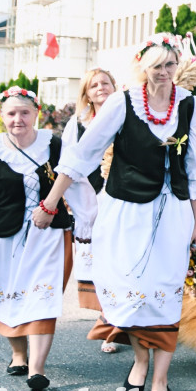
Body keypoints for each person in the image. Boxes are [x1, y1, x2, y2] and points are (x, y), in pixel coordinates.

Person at [42, 33, 196, 391]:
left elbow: (195, 170)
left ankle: (160, 379)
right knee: (132, 289)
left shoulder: (191, 107)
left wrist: (195, 223)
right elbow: (83, 156)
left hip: (174, 211)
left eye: (169, 65)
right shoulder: (123, 102)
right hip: (126, 209)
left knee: (165, 292)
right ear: (143, 68)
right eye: (156, 66)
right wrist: (51, 202)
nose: (164, 72)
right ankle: (139, 362)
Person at [0, 88, 91, 391]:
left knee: (42, 295)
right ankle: (18, 353)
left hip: (49, 235)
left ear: (36, 113)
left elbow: (76, 184)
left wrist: (89, 224)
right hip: (3, 236)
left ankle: (37, 369)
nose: (18, 119)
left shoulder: (53, 144)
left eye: (24, 112)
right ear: (1, 116)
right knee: (7, 294)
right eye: (11, 113)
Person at [61, 67, 121, 354]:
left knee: (121, 261)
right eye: (94, 85)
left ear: (114, 86)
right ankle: (107, 320)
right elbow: (70, 162)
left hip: (123, 196)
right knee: (101, 262)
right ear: (86, 93)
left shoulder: (127, 115)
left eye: (105, 83)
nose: (100, 88)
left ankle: (115, 323)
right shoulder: (79, 123)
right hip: (91, 195)